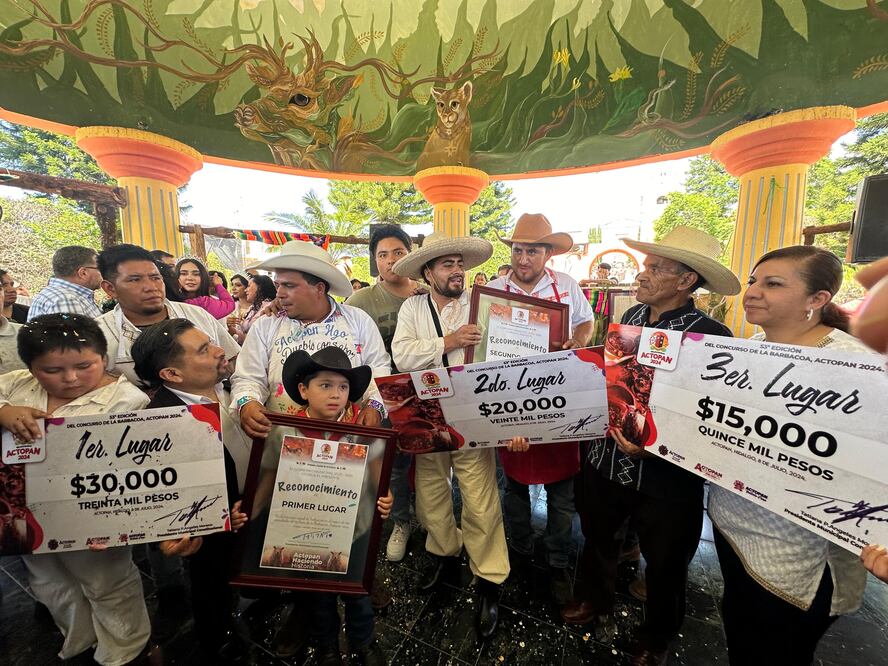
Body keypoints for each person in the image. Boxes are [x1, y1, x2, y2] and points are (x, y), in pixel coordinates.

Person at [562, 226, 740, 666]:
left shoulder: (712, 336)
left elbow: (711, 414)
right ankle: (594, 600)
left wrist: (659, 445)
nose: (643, 273)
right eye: (647, 264)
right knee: (598, 536)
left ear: (686, 281)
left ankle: (656, 637)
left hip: (666, 476)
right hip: (605, 458)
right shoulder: (630, 317)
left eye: (657, 268)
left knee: (666, 562)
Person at [708, 245, 874, 666]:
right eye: (753, 282)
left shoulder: (859, 369)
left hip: (796, 559)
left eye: (773, 284)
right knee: (741, 636)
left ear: (817, 299)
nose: (753, 292)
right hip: (733, 530)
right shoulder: (751, 350)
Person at [0, 314, 156, 665]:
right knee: (48, 581)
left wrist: (117, 520)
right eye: (52, 370)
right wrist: (4, 411)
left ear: (104, 358)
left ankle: (124, 651)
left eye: (84, 366)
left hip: (94, 515)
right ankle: (79, 641)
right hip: (24, 514)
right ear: (30, 367)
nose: (70, 378)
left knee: (107, 584)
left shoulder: (126, 400)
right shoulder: (16, 384)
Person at [390, 232, 509, 638]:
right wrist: (449, 341)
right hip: (426, 411)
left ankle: (490, 576)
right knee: (431, 490)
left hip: (474, 411)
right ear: (428, 272)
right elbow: (402, 354)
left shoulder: (482, 305)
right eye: (447, 264)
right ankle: (443, 550)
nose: (457, 270)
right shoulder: (412, 306)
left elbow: (502, 352)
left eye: (460, 263)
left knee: (479, 496)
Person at [487, 213, 595, 606]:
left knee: (562, 494)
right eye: (517, 249)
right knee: (513, 486)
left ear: (547, 253)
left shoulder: (566, 286)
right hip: (510, 400)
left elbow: (586, 323)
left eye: (532, 250)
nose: (523, 257)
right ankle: (519, 547)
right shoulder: (494, 290)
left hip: (556, 399)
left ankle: (558, 559)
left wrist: (576, 341)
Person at [131, 319, 250, 663]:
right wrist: (166, 535)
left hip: (252, 500)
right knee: (211, 586)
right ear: (172, 375)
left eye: (210, 343)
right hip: (210, 528)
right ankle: (219, 642)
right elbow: (150, 489)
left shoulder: (238, 389)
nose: (219, 351)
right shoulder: (158, 423)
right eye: (203, 350)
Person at [271, 346, 392, 665]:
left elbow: (378, 464)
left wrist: (385, 493)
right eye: (325, 385)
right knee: (318, 596)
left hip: (355, 529)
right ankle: (326, 645)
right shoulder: (285, 430)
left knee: (358, 592)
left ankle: (362, 641)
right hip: (306, 533)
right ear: (303, 390)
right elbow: (271, 475)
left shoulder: (362, 431)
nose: (336, 394)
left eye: (343, 387)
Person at [232, 240, 390, 443]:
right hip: (282, 442)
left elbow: (378, 366)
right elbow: (248, 377)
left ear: (319, 288)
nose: (279, 293)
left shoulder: (357, 320)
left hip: (349, 443)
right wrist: (248, 403)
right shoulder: (266, 325)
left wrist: (375, 405)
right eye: (277, 285)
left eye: (289, 285)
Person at [345, 224, 421, 562]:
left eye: (398, 253)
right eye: (382, 255)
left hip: (426, 392)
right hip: (383, 397)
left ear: (411, 255)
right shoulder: (360, 301)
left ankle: (439, 522)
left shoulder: (424, 294)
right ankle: (402, 522)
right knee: (395, 464)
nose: (390, 261)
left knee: (434, 461)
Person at [94, 244, 240, 387]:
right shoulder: (98, 335)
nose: (151, 287)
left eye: (155, 277)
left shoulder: (196, 314)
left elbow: (236, 364)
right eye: (135, 280)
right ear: (110, 288)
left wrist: (245, 400)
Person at [26, 246, 103, 320]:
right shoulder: (66, 300)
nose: (103, 272)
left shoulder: (60, 295)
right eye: (100, 268)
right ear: (83, 273)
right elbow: (78, 333)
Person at [232, 274, 277, 344]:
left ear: (260, 287)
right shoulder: (254, 308)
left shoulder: (269, 308)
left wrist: (234, 331)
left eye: (249, 286)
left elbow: (257, 340)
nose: (246, 290)